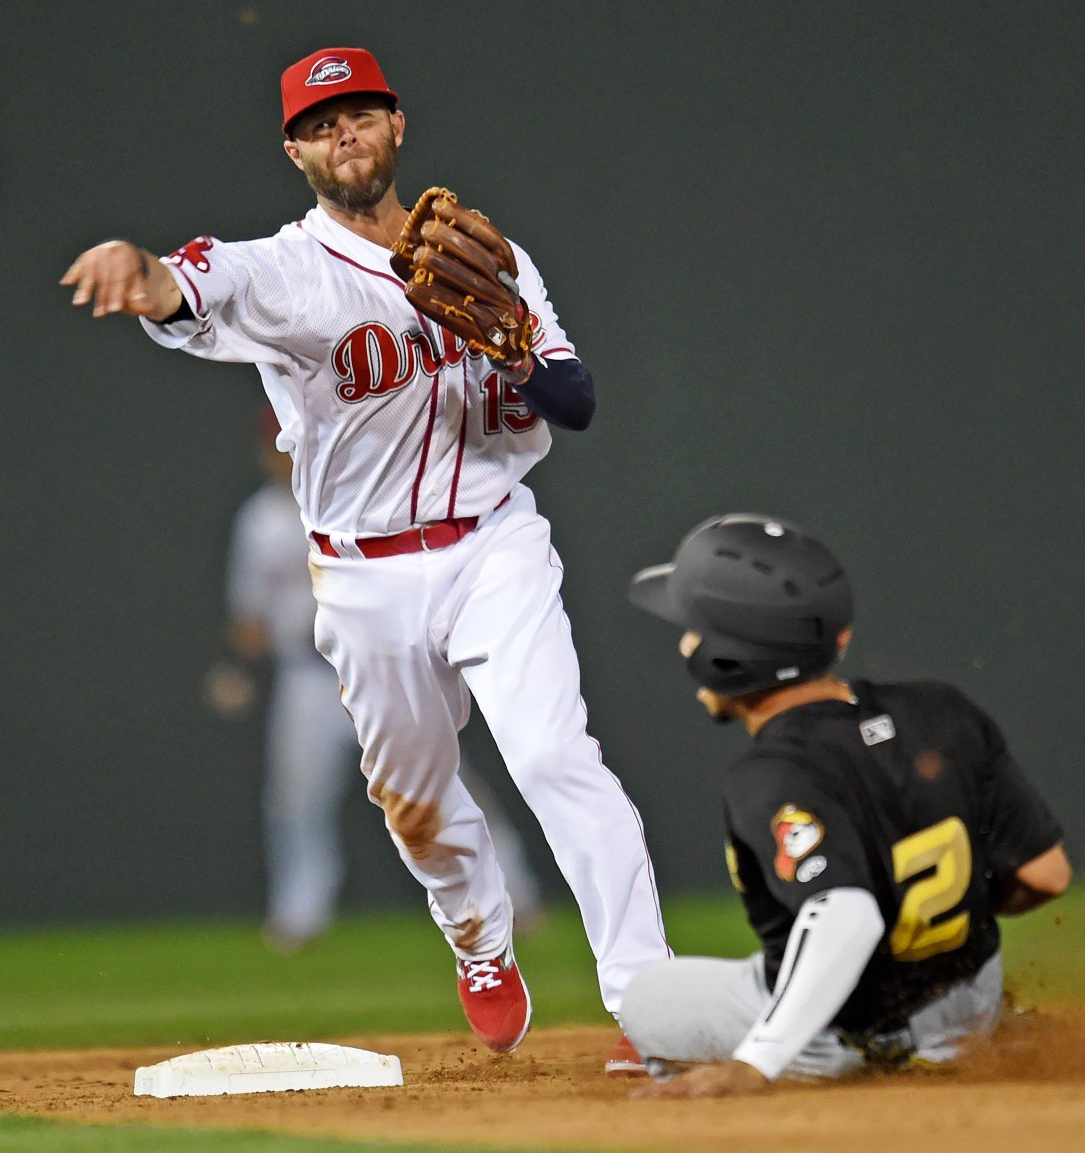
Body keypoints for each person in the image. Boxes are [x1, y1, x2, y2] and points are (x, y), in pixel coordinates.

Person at [60, 45, 669, 1065]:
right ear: (296, 149)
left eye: (362, 113)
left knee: (560, 757)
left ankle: (649, 1001)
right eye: (321, 122)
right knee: (417, 803)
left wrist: (514, 341)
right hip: (362, 574)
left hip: (494, 544)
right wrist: (141, 267)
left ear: (397, 127)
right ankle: (478, 936)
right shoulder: (284, 272)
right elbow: (188, 284)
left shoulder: (490, 256)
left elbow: (577, 402)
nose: (344, 132)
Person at [620, 512, 1071, 1098]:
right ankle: (970, 1033)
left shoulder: (771, 771)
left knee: (646, 998)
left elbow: (846, 914)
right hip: (970, 1013)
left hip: (842, 1037)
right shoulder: (940, 709)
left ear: (729, 657)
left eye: (694, 629)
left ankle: (840, 1055)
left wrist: (755, 1063)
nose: (685, 641)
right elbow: (1046, 874)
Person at [204, 406, 545, 949]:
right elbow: (251, 616)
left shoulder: (364, 497)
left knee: (445, 785)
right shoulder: (260, 522)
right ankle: (298, 915)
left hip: (381, 670)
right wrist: (238, 666)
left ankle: (513, 896)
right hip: (308, 678)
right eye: (274, 445)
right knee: (295, 800)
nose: (282, 455)